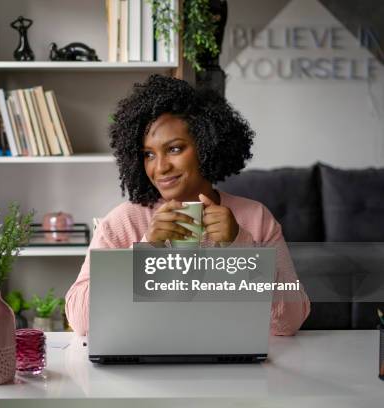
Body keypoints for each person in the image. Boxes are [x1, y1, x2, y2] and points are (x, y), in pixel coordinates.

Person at [65, 74, 310, 336]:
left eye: (174, 149)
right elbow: (80, 320)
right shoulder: (122, 222)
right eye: (148, 154)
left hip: (229, 365)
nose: (160, 168)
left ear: (207, 146)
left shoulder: (255, 218)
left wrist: (240, 245)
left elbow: (291, 321)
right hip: (145, 366)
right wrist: (147, 249)